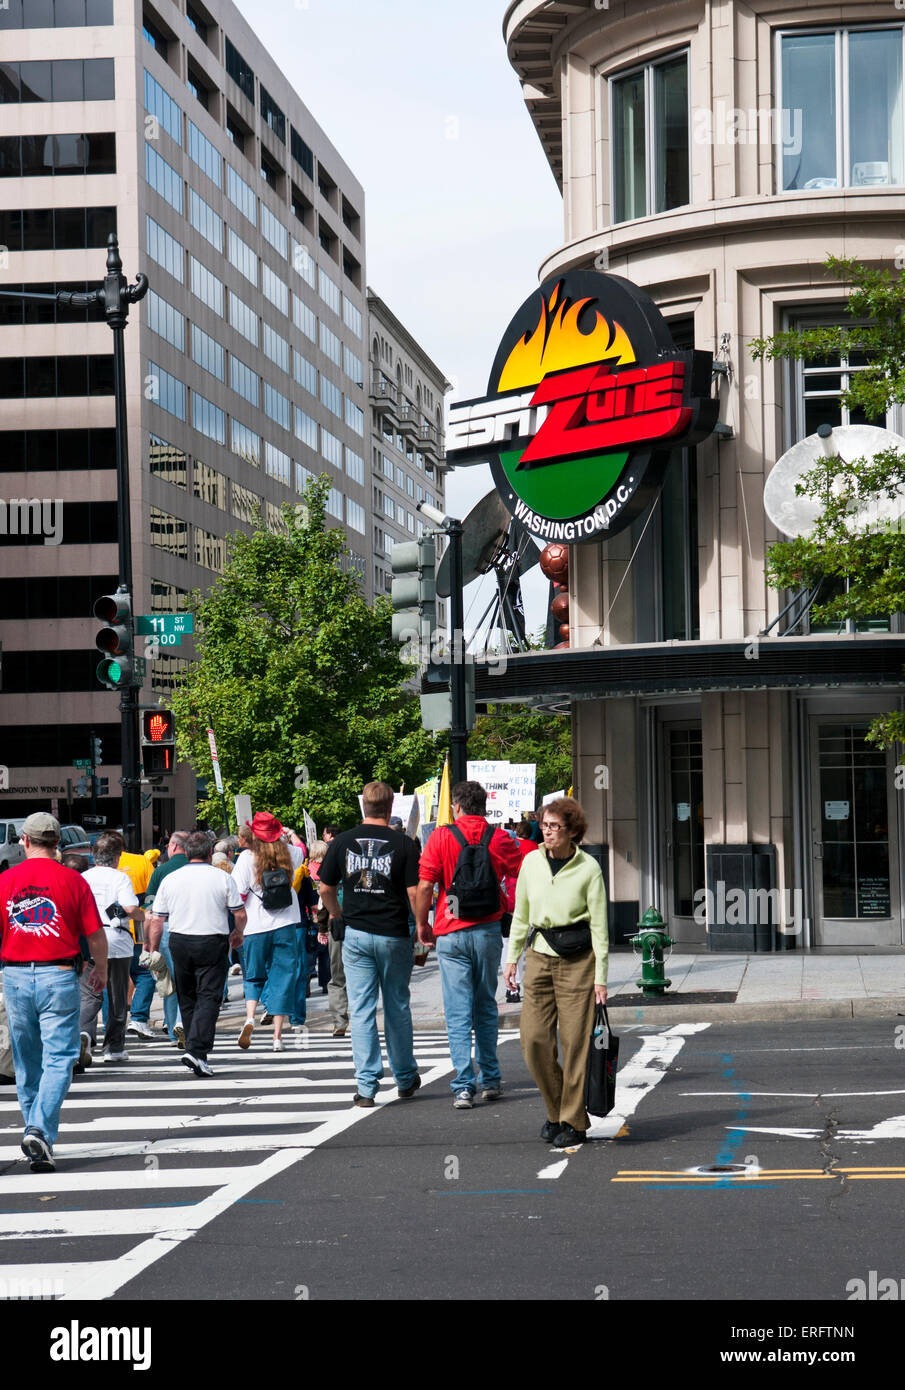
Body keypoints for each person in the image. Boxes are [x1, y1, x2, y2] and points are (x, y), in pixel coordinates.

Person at [0, 812, 108, 1172]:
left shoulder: (6, 880)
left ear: (25, 841)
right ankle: (40, 1131)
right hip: (59, 974)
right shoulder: (74, 881)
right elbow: (95, 935)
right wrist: (101, 969)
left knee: (25, 1058)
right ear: (57, 843)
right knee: (59, 1057)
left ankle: (38, 1132)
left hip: (15, 976)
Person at [504, 797, 608, 1149]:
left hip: (579, 961)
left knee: (575, 1044)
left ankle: (573, 1122)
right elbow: (521, 914)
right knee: (533, 1040)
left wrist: (601, 977)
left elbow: (600, 926)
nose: (546, 831)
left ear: (572, 831)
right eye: (544, 825)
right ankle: (556, 1111)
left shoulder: (588, 868)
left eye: (554, 826)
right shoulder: (531, 862)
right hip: (539, 955)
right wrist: (511, 958)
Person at [415, 781, 523, 1110]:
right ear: (485, 807)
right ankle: (490, 1078)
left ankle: (464, 1085)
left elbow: (425, 885)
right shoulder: (500, 838)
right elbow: (521, 871)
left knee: (458, 1011)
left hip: (451, 928)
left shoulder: (442, 837)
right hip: (488, 928)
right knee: (485, 1005)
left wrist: (423, 923)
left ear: (457, 807)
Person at [318, 782, 421, 1106]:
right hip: (393, 933)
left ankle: (366, 1086)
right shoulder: (404, 844)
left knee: (361, 1010)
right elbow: (416, 892)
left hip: (356, 934)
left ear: (364, 807)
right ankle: (405, 1078)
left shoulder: (342, 842)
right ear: (390, 808)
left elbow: (324, 887)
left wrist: (337, 914)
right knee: (397, 1006)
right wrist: (420, 924)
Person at [144, 832, 245, 1077]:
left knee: (187, 997)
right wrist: (238, 933)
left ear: (187, 852)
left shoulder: (171, 878)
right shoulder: (222, 877)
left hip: (180, 940)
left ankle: (194, 1049)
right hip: (211, 939)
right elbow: (239, 913)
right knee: (209, 996)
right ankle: (197, 1050)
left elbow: (157, 920)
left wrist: (153, 947)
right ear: (210, 853)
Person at [231, 812, 305, 1052]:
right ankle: (277, 1037)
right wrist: (291, 834)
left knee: (253, 975)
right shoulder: (290, 854)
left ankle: (250, 1018)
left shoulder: (245, 859)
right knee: (283, 977)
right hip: (285, 924)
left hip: (254, 926)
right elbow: (303, 848)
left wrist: (236, 927)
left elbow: (238, 893)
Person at [81, 832, 143, 1065]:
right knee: (117, 995)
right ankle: (113, 1047)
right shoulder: (120, 878)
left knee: (88, 994)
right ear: (117, 857)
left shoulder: (83, 877)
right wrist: (141, 915)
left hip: (88, 938)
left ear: (93, 855)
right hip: (115, 939)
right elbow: (129, 907)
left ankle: (85, 1034)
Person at [142, 831, 189, 1047]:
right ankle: (185, 1023)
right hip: (192, 928)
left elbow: (150, 909)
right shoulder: (197, 869)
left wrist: (149, 943)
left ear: (172, 846)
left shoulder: (161, 871)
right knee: (190, 980)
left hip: (166, 927)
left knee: (168, 982)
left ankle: (172, 1030)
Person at [309, 841, 347, 1037]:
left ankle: (340, 1020)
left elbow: (323, 900)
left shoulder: (329, 869)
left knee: (337, 976)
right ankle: (360, 1016)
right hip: (361, 924)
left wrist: (322, 928)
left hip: (336, 925)